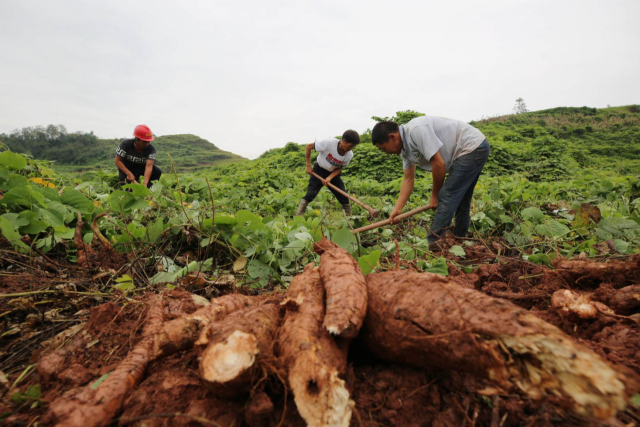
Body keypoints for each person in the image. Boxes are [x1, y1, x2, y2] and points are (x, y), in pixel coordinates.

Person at [371, 116, 490, 243]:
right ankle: (459, 239)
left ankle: (432, 243)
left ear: (392, 137)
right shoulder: (405, 151)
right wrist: (398, 209)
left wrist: (435, 195)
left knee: (446, 195)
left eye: (383, 148)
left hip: (471, 147)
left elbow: (439, 164)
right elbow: (408, 180)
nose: (385, 152)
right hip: (472, 149)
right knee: (460, 199)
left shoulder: (415, 130)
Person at [296, 130, 360, 216]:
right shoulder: (329, 143)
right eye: (351, 146)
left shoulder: (349, 155)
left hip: (333, 174)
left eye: (353, 147)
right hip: (319, 170)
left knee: (343, 196)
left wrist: (329, 178)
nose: (351, 149)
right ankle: (299, 216)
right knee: (310, 194)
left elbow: (339, 168)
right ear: (344, 141)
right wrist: (308, 165)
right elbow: (308, 146)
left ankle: (350, 218)